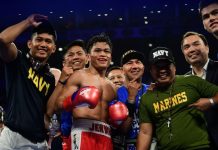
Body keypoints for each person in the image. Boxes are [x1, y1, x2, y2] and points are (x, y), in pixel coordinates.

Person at [54, 33, 127, 150]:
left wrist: (117, 120)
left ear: (111, 57)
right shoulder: (79, 76)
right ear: (88, 57)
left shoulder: (113, 88)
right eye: (97, 50)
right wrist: (75, 99)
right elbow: (58, 105)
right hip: (83, 133)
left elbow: (117, 124)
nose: (103, 54)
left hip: (106, 137)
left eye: (106, 51)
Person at [137, 46, 218, 150]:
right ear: (151, 70)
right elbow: (145, 132)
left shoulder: (191, 81)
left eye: (166, 66)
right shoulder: (146, 99)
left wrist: (211, 101)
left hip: (199, 147)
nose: (162, 70)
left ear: (174, 67)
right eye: (158, 67)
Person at [0, 14, 56, 149]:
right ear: (30, 44)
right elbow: (2, 39)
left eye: (48, 41)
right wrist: (27, 22)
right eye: (39, 40)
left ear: (53, 48)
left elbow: (48, 112)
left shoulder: (50, 78)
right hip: (12, 137)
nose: (43, 44)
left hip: (38, 142)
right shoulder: (18, 60)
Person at [47, 39, 88, 150]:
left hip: (89, 137)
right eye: (71, 54)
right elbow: (51, 110)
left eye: (79, 53)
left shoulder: (96, 82)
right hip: (65, 139)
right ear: (64, 62)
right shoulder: (59, 85)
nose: (75, 57)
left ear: (87, 58)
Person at [181, 31, 218, 149]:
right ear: (184, 53)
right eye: (186, 47)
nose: (191, 49)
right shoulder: (182, 81)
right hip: (198, 144)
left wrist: (211, 102)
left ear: (207, 47)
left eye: (196, 44)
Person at [116, 50, 150, 150]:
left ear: (143, 66)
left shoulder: (152, 91)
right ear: (122, 69)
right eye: (129, 63)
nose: (135, 66)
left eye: (138, 62)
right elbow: (123, 130)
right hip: (126, 145)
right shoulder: (115, 94)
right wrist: (131, 98)